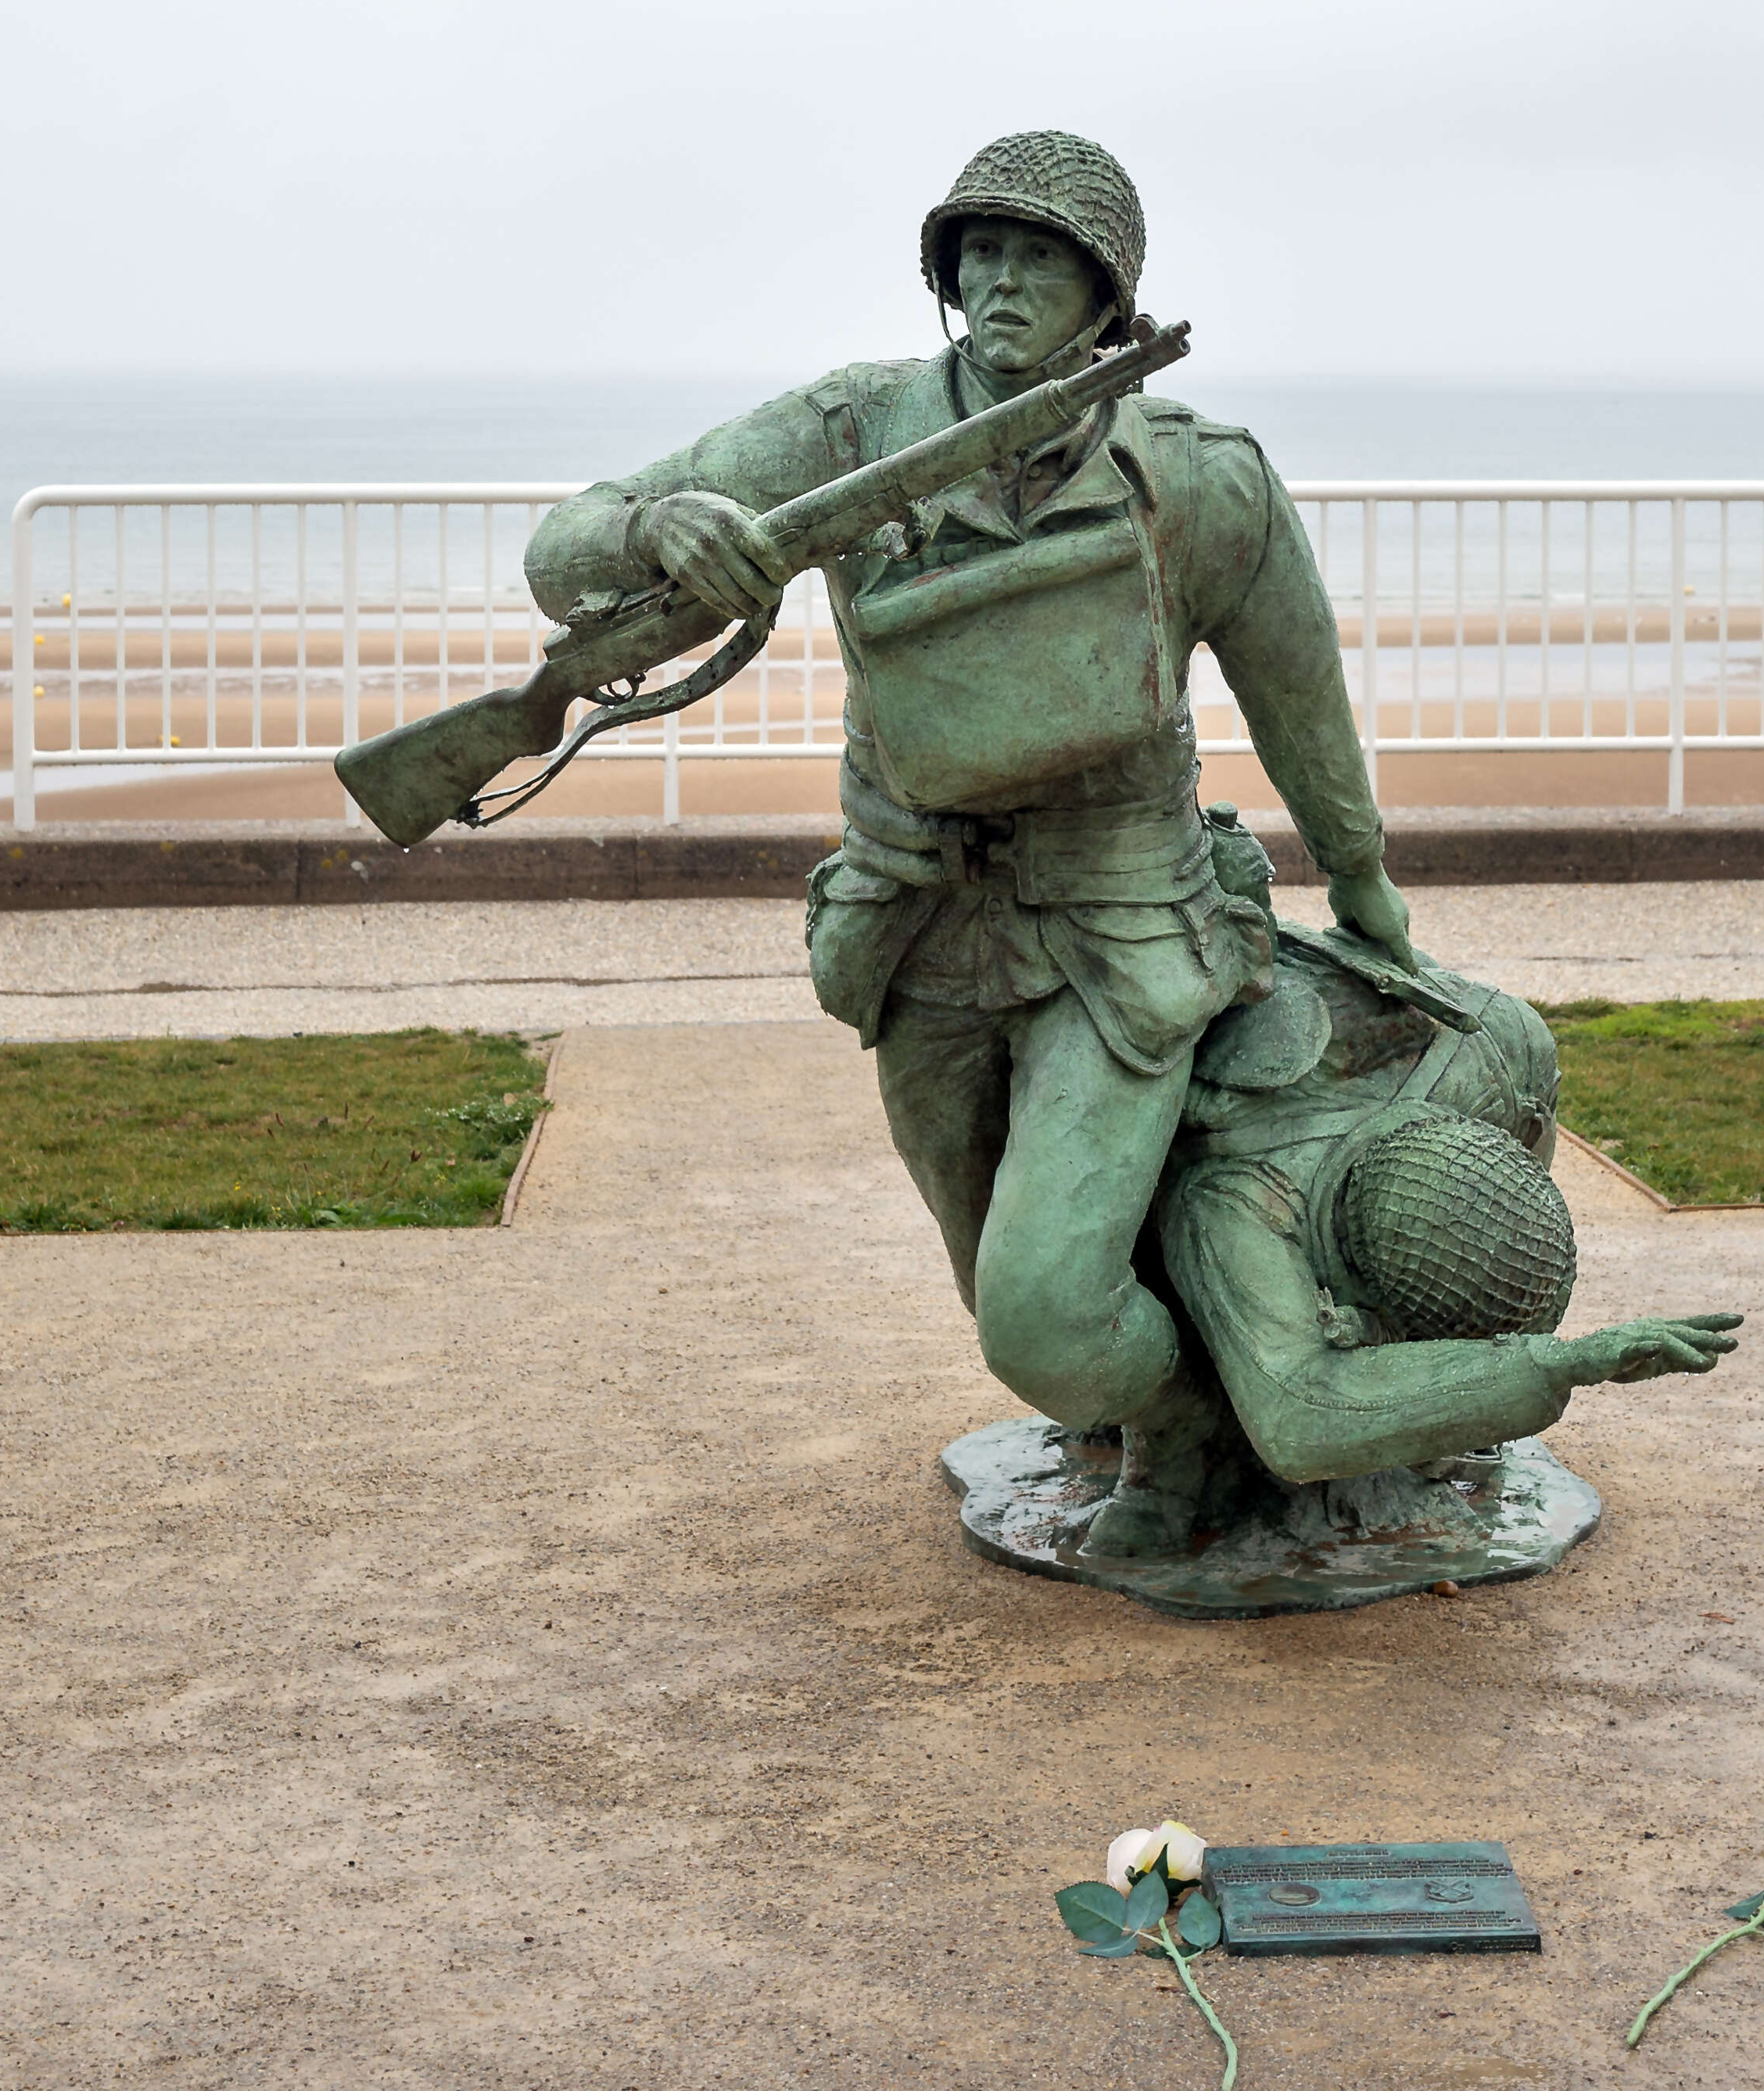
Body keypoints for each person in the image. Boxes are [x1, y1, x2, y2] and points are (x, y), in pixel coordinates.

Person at [524, 132, 1408, 1551]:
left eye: (1038, 257)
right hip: (914, 923)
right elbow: (567, 546)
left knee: (1044, 1317)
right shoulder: (852, 427)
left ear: (1105, 294)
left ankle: (1187, 1425)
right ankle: (1152, 1403)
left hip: (1118, 922)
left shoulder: (1198, 478)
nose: (1000, 279)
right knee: (987, 1273)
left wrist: (1361, 880)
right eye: (979, 252)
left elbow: (1298, 694)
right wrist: (659, 522)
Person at [1123, 846, 1745, 1544]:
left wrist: (1509, 1363)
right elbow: (1298, 1418)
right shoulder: (1236, 1202)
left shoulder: (1504, 1049)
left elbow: (1523, 1169)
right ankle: (1172, 1442)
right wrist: (1553, 1363)